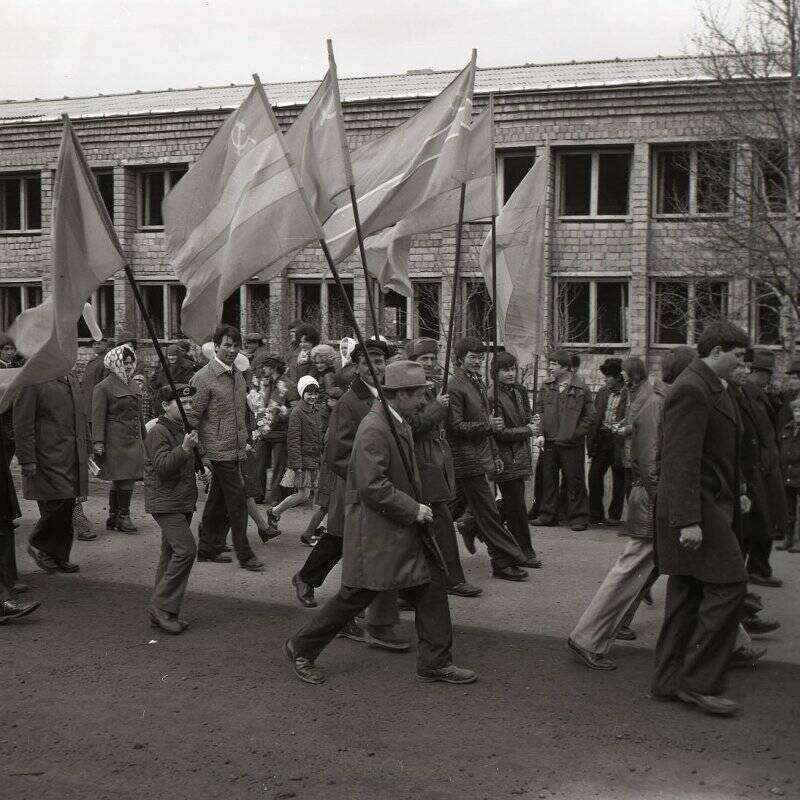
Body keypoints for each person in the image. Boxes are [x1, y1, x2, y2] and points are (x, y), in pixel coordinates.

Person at [284, 360, 477, 686]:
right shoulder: (376, 428)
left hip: (396, 530)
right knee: (355, 597)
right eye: (418, 394)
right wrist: (412, 508)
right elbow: (373, 486)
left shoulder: (394, 420)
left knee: (431, 589)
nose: (422, 400)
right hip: (379, 532)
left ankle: (436, 661)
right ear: (400, 394)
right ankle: (301, 647)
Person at [651, 320, 750, 717]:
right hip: (696, 509)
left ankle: (667, 680)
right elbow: (680, 460)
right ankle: (698, 682)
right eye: (738, 357)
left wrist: (737, 489)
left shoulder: (710, 386)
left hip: (706, 505)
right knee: (730, 585)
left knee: (688, 594)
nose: (741, 364)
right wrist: (688, 520)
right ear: (717, 352)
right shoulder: (693, 389)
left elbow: (717, 452)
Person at [568, 350, 686, 670]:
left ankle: (736, 642)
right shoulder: (658, 401)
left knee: (700, 570)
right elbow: (649, 462)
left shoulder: (659, 399)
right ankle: (589, 636)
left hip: (661, 500)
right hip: (655, 502)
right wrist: (665, 502)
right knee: (634, 569)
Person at [291, 339, 405, 651]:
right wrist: (366, 476)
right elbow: (337, 452)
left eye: (380, 362)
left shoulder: (385, 395)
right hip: (354, 484)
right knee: (347, 544)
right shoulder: (348, 402)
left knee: (343, 542)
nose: (375, 368)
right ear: (356, 366)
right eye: (368, 362)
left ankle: (310, 581)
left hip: (375, 483)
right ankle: (340, 611)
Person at [446, 337, 529, 581]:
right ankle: (504, 561)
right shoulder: (456, 386)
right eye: (472, 357)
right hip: (465, 459)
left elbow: (487, 425)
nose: (477, 362)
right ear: (460, 359)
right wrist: (487, 426)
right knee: (488, 512)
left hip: (477, 457)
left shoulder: (477, 382)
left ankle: (421, 545)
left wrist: (494, 454)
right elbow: (455, 426)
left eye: (480, 358)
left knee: (446, 512)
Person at [407, 338, 480, 598]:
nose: (429, 363)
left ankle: (438, 580)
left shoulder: (434, 387)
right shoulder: (408, 390)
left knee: (437, 521)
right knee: (439, 522)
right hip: (418, 463)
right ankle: (448, 580)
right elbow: (414, 425)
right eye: (422, 359)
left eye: (431, 358)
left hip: (435, 461)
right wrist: (439, 406)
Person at [189, 324, 264, 572]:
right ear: (216, 346)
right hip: (216, 450)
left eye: (235, 346)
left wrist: (246, 441)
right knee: (238, 499)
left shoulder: (238, 375)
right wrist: (200, 454)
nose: (231, 350)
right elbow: (192, 417)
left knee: (218, 500)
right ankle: (245, 554)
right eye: (227, 345)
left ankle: (208, 548)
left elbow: (241, 412)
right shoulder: (203, 378)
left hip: (235, 448)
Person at [144, 384, 207, 635]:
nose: (188, 407)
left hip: (180, 499)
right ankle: (161, 607)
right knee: (186, 550)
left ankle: (161, 611)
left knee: (170, 553)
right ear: (165, 406)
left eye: (191, 403)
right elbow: (162, 467)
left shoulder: (181, 428)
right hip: (166, 501)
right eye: (183, 403)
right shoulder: (159, 431)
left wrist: (203, 468)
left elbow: (184, 463)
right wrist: (184, 449)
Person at [14, 372, 90, 575]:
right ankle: (41, 545)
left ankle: (59, 555)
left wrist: (87, 447)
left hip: (71, 456)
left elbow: (80, 416)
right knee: (57, 504)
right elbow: (22, 422)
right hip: (47, 456)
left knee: (67, 505)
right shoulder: (32, 379)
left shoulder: (71, 379)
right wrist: (27, 458)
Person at [730, 353, 785, 587]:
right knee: (758, 522)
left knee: (764, 520)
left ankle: (756, 569)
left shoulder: (760, 395)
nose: (768, 378)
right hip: (758, 469)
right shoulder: (749, 394)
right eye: (766, 373)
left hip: (765, 467)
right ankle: (753, 571)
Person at [531, 349, 594, 532]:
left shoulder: (581, 387)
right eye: (550, 364)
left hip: (572, 443)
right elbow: (540, 410)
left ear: (565, 367)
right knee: (548, 479)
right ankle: (547, 515)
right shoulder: (546, 386)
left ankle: (579, 517)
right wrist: (540, 433)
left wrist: (576, 433)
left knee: (574, 480)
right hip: (549, 441)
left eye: (553, 364)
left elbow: (590, 416)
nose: (550, 367)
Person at [491, 351, 540, 568]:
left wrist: (533, 421)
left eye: (513, 369)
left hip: (519, 455)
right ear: (495, 372)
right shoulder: (492, 396)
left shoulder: (518, 391)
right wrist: (527, 430)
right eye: (505, 370)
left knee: (514, 502)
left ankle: (472, 524)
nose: (510, 374)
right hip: (504, 457)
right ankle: (524, 551)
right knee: (517, 507)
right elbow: (499, 433)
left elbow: (524, 417)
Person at [92, 344, 146, 533]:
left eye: (131, 362)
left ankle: (114, 516)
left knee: (121, 479)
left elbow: (139, 415)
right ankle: (123, 516)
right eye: (125, 363)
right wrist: (97, 441)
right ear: (115, 363)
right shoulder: (103, 387)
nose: (129, 366)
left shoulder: (132, 383)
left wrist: (144, 437)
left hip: (133, 437)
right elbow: (97, 416)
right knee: (125, 477)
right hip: (115, 439)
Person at [268, 376, 321, 532]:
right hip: (303, 459)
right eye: (309, 393)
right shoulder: (297, 412)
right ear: (302, 393)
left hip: (314, 458)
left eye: (315, 393)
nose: (312, 396)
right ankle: (275, 511)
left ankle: (313, 528)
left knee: (312, 494)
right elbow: (293, 440)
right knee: (304, 495)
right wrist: (296, 464)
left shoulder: (315, 410)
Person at [587, 358, 627, 526]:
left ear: (618, 377)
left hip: (619, 440)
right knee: (594, 476)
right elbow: (595, 418)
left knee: (620, 479)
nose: (605, 379)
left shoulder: (628, 393)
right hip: (603, 439)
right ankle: (596, 515)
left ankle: (614, 516)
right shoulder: (603, 392)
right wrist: (591, 441)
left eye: (608, 376)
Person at [259, 354, 297, 506]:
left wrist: (280, 415)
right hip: (264, 431)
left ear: (274, 368)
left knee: (279, 467)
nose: (263, 369)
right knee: (259, 464)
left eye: (266, 366)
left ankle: (276, 496)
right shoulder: (265, 383)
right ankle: (257, 494)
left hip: (280, 432)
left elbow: (294, 409)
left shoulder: (289, 385)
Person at [778, 396, 800, 553]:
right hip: (788, 475)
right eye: (796, 410)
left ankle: (799, 541)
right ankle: (788, 538)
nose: (798, 413)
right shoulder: (787, 429)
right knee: (789, 509)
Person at [0, 332, 24, 464]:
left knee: (9, 452)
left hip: (14, 416)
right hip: (2, 415)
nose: (9, 353)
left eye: (12, 349)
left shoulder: (18, 369)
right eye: (5, 349)